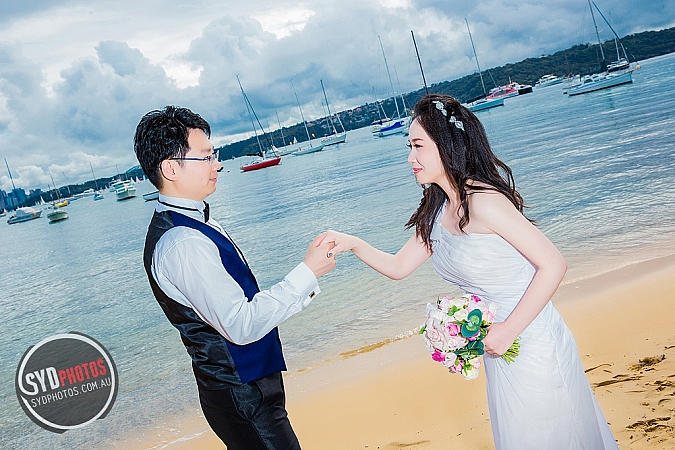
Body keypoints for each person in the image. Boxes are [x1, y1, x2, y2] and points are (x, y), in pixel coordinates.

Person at [321, 94, 618, 449]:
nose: (410, 158)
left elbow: (553, 264)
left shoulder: (485, 202)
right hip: (498, 343)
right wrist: (354, 243)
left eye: (418, 146)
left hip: (531, 337)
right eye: (409, 147)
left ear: (446, 145)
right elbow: (399, 267)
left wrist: (509, 329)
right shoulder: (438, 210)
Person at [134, 105, 335, 450]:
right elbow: (240, 324)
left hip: (246, 387)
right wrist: (307, 272)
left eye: (214, 155)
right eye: (206, 157)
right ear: (170, 168)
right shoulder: (183, 243)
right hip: (241, 394)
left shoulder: (194, 222)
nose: (218, 165)